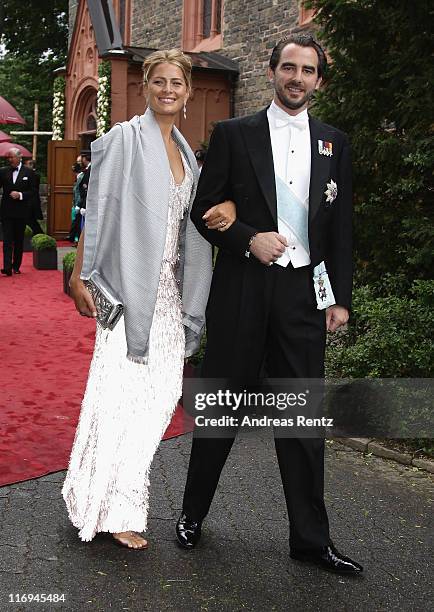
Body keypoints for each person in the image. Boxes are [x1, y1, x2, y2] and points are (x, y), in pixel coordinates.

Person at [176, 34, 363, 575]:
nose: (297, 77)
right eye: (288, 67)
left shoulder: (335, 143)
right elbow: (204, 209)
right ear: (272, 71)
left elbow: (341, 228)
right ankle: (191, 515)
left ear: (318, 81)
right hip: (243, 290)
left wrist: (339, 299)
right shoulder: (234, 134)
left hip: (304, 294)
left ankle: (310, 540)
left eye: (307, 70)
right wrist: (247, 238)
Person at [62, 49, 235, 549]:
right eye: (158, 81)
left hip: (168, 296)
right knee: (117, 398)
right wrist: (78, 273)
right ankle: (112, 508)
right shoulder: (122, 140)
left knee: (158, 400)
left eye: (176, 82)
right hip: (127, 291)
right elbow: (99, 208)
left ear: (187, 91)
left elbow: (195, 223)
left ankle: (103, 493)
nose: (167, 89)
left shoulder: (186, 154)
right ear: (145, 87)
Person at [0, 147, 36, 275]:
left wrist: (20, 194)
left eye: (12, 157)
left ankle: (16, 266)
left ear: (19, 157)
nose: (10, 159)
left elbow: (33, 192)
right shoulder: (3, 171)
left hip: (21, 211)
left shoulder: (29, 172)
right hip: (6, 211)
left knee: (19, 240)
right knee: (7, 240)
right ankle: (7, 267)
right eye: (8, 157)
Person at [24, 159, 44, 236]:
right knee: (29, 219)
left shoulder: (35, 175)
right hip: (28, 200)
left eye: (27, 164)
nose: (26, 166)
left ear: (32, 165)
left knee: (31, 219)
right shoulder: (29, 174)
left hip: (33, 200)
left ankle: (39, 233)